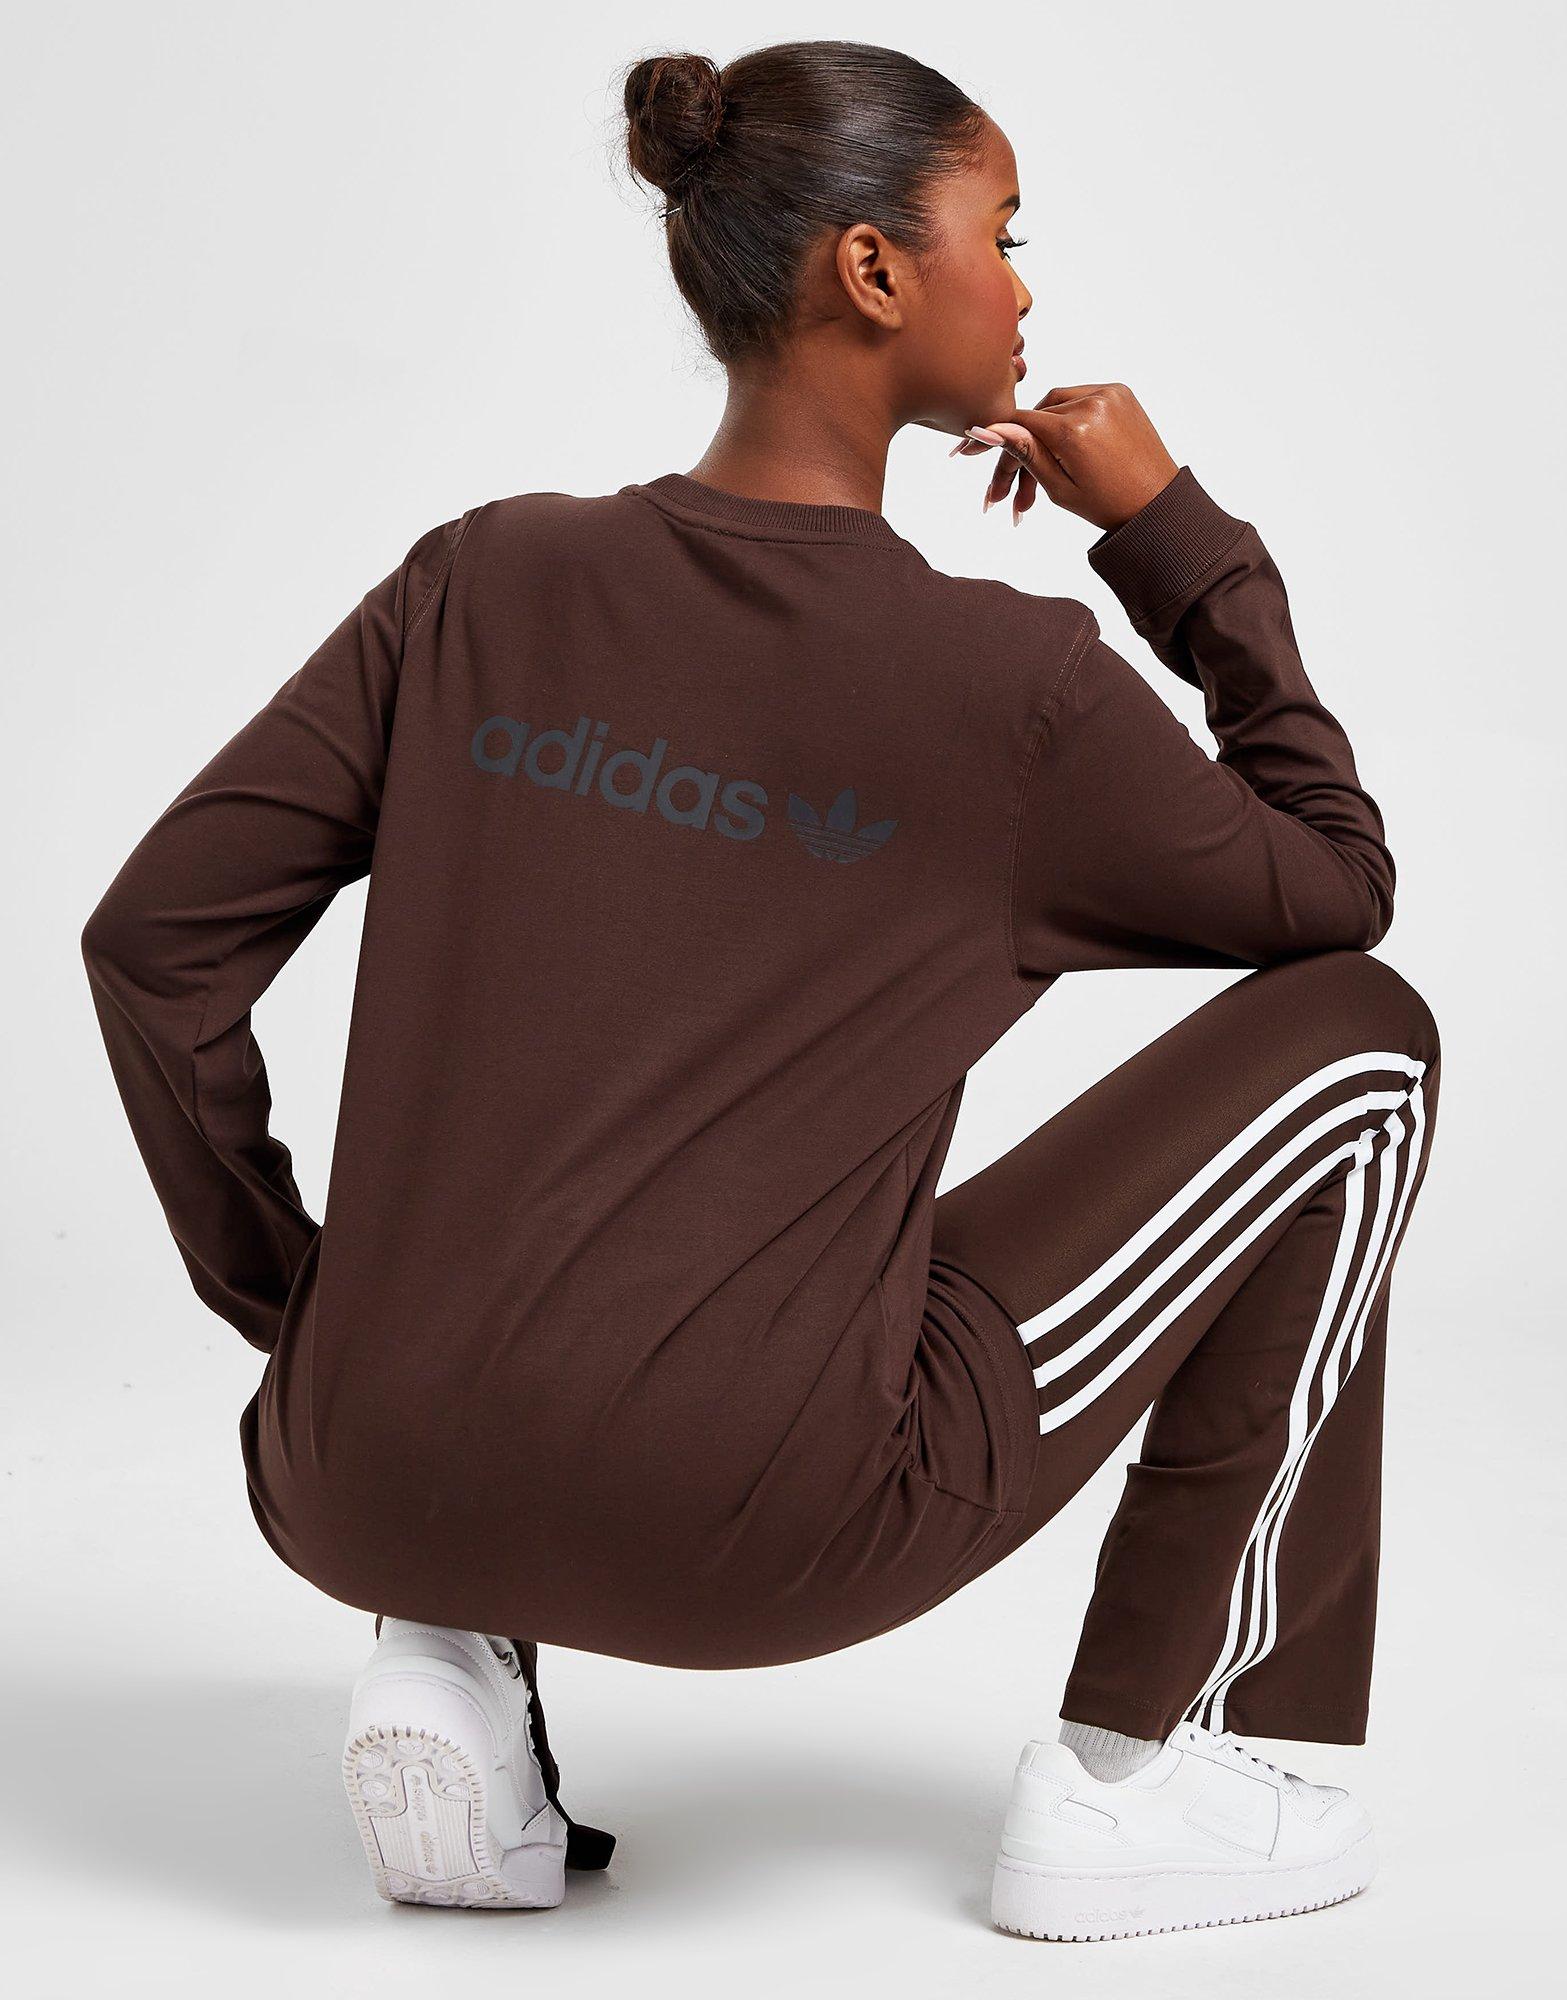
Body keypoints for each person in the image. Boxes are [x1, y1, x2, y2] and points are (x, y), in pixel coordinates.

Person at [80, 38, 1440, 1942]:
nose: (1025, 291)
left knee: (556, 1170)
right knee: (1365, 1047)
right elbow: (1339, 888)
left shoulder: (483, 580)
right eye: (1003, 234)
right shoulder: (1014, 690)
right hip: (758, 1535)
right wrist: (1176, 538)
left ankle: (452, 1653)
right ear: (874, 271)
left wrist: (308, 1313)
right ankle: (1155, 1766)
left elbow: (152, 947)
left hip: (352, 1475)